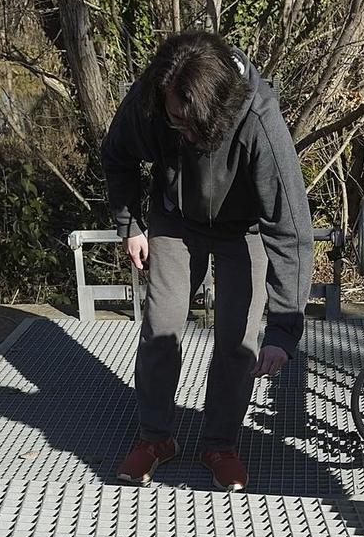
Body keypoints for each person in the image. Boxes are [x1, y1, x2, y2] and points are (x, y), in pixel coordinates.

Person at [101, 31, 314, 490]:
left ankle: (220, 443)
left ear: (216, 110)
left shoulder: (259, 121)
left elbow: (291, 229)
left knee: (238, 341)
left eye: (187, 122)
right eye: (173, 119)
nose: (179, 127)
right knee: (160, 324)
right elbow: (117, 154)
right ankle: (155, 438)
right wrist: (130, 225)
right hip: (176, 221)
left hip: (245, 229)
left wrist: (282, 330)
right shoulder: (155, 96)